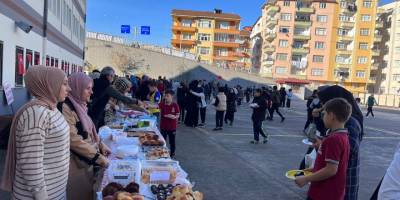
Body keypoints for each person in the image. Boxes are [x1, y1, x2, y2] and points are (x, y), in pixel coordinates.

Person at [1, 66, 71, 199]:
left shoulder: (51, 108)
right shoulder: (36, 114)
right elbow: (31, 165)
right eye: (65, 84)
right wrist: (42, 197)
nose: (69, 88)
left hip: (56, 192)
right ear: (50, 84)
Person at [59, 72, 111, 200]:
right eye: (88, 88)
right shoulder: (66, 107)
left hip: (85, 161)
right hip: (75, 165)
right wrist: (97, 157)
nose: (91, 92)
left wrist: (100, 144)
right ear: (77, 87)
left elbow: (89, 129)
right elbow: (73, 139)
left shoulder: (80, 105)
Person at [295, 98, 352, 200]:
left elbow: (331, 170)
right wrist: (310, 170)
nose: (323, 117)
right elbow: (329, 165)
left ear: (332, 116)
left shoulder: (334, 139)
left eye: (324, 114)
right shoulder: (340, 135)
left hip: (325, 193)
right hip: (327, 192)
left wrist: (305, 179)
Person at [314, 85, 364, 200]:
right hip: (334, 180)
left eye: (324, 104)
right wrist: (317, 118)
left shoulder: (351, 123)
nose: (322, 107)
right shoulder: (338, 121)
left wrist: (323, 145)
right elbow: (325, 131)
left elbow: (348, 150)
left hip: (345, 179)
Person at [159, 90, 180, 158]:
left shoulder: (175, 105)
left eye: (168, 96)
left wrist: (174, 117)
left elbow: (178, 114)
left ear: (172, 97)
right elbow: (155, 106)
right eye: (165, 96)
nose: (166, 97)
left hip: (172, 127)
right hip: (163, 127)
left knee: (172, 142)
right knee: (162, 141)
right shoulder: (162, 104)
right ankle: (162, 153)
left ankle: (172, 153)